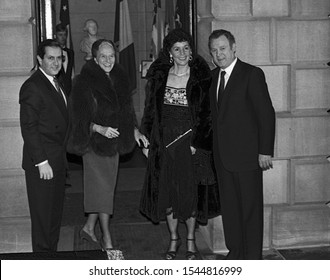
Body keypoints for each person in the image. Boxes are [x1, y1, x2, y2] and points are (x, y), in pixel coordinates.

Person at [139, 29, 219, 260]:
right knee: (168, 192)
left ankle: (191, 241)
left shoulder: (202, 78)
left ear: (191, 51)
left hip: (190, 143)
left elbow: (207, 116)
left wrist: (197, 143)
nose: (182, 53)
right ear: (169, 53)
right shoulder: (160, 78)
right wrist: (146, 140)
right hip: (164, 143)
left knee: (189, 193)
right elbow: (150, 111)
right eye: (177, 49)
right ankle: (174, 239)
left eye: (186, 48)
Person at [69, 39, 148, 258]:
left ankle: (88, 228)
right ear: (94, 59)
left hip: (113, 146)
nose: (107, 60)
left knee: (103, 191)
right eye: (102, 56)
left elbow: (126, 112)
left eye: (111, 55)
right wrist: (98, 128)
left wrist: (135, 131)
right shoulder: (83, 82)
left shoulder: (119, 79)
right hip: (94, 146)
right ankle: (107, 238)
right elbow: (77, 119)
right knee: (103, 193)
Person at [208, 29, 276, 260]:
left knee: (250, 211)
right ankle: (235, 252)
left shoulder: (251, 74)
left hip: (249, 158)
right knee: (231, 211)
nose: (219, 54)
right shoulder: (212, 77)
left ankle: (253, 259)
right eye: (214, 50)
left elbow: (266, 114)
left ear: (234, 47)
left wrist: (265, 150)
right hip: (223, 159)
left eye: (223, 48)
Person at [19, 39, 69, 252]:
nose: (56, 63)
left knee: (53, 220)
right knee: (43, 224)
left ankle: (52, 263)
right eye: (51, 58)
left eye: (59, 58)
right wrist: (41, 162)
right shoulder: (33, 86)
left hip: (57, 161)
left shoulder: (57, 83)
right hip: (43, 165)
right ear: (40, 59)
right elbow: (29, 127)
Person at [55, 23, 75, 95]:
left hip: (69, 89)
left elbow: (71, 72)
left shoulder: (70, 52)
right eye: (60, 35)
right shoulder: (52, 53)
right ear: (55, 36)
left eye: (64, 35)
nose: (63, 37)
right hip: (56, 89)